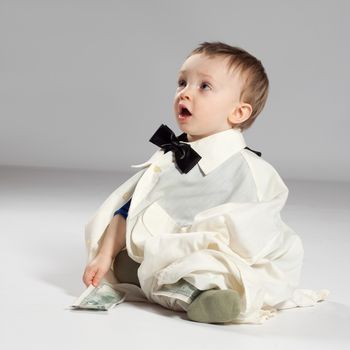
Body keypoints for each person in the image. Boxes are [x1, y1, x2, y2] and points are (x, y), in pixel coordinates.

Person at [82, 41, 328, 324]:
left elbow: (254, 234)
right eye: (182, 82)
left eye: (204, 87)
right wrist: (103, 255)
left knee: (215, 270)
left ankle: (206, 296)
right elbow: (131, 207)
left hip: (211, 252)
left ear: (238, 112)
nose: (185, 93)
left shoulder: (249, 172)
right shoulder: (169, 159)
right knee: (128, 260)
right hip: (167, 247)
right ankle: (165, 280)